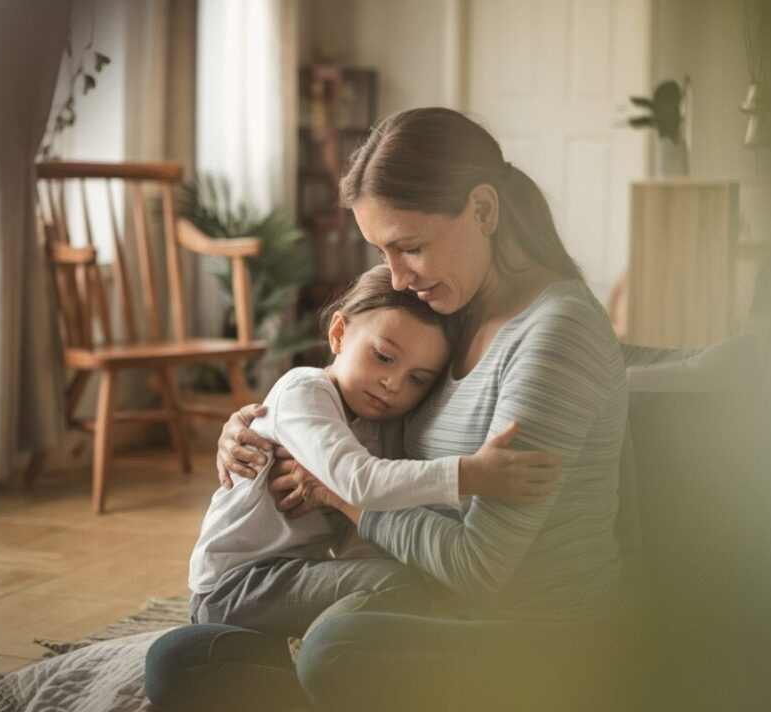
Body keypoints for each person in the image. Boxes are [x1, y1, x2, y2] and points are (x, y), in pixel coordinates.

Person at [149, 107, 630, 711]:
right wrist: (262, 423)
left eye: (410, 247)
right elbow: (355, 399)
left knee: (335, 650)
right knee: (180, 659)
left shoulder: (557, 330)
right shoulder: (452, 312)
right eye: (382, 251)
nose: (397, 278)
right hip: (426, 601)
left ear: (483, 211)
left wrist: (334, 491)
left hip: (523, 624)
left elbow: (480, 568)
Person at [185, 265, 558, 637]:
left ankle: (316, 653)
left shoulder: (381, 422)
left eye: (417, 379)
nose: (393, 384)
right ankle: (307, 656)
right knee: (398, 586)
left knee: (400, 583)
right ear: (339, 333)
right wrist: (471, 474)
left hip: (293, 575)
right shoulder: (304, 391)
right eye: (383, 356)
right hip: (232, 586)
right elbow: (358, 483)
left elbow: (358, 534)